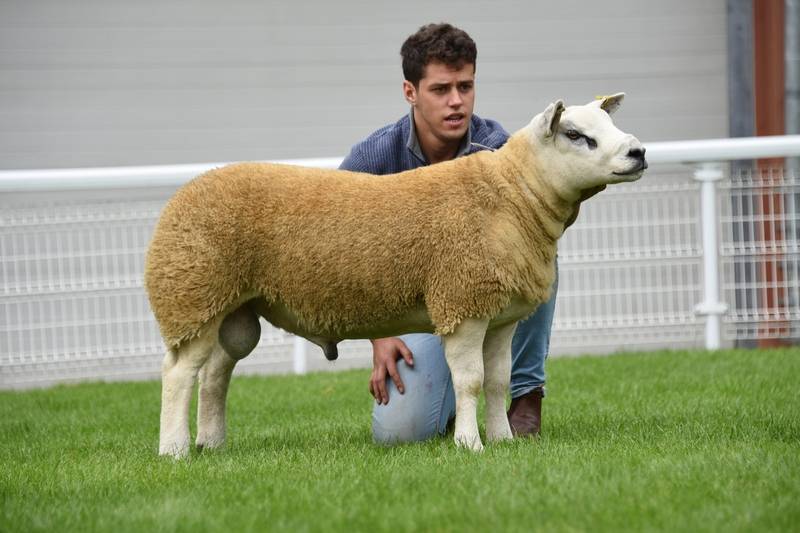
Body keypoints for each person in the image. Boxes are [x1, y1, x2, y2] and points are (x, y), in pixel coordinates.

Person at [339, 23, 591, 444]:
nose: (456, 101)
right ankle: (455, 400)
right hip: (412, 312)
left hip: (488, 301)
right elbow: (337, 243)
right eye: (441, 89)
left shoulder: (499, 147)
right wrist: (379, 335)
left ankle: (526, 395)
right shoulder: (374, 157)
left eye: (466, 86)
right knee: (401, 434)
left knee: (533, 254)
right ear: (410, 92)